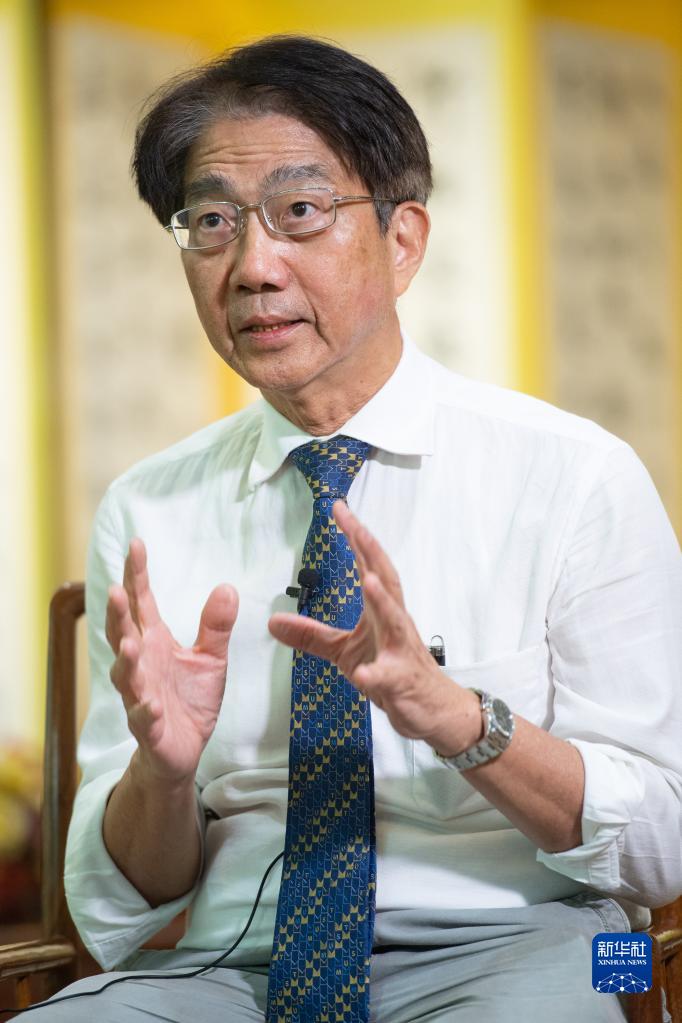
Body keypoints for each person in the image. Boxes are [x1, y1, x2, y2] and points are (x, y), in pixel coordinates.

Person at [42, 34, 681, 1023]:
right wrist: (161, 776)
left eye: (299, 213)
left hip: (537, 942)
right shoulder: (147, 508)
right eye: (211, 221)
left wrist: (456, 718)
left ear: (403, 240)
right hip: (231, 967)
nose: (253, 267)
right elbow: (121, 906)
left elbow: (662, 845)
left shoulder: (573, 478)